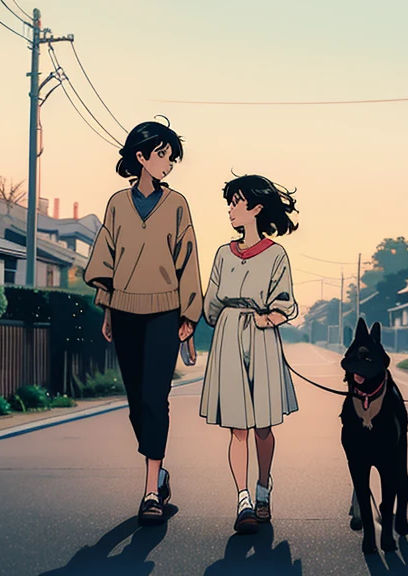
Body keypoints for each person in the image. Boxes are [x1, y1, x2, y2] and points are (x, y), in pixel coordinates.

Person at [84, 119, 202, 526]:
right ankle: (160, 468)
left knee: (156, 397)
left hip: (166, 312)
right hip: (125, 310)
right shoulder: (117, 203)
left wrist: (189, 317)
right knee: (136, 402)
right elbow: (106, 256)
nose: (168, 164)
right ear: (141, 157)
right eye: (162, 155)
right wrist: (107, 309)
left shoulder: (178, 205)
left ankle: (150, 490)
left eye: (171, 158)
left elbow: (188, 259)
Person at [200, 174, 299, 534]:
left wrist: (270, 317)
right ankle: (243, 498)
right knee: (237, 425)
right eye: (229, 203)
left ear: (256, 207)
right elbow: (211, 301)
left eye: (236, 202)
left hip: (261, 337)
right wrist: (205, 326)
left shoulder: (276, 254)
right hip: (228, 333)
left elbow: (285, 301)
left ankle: (263, 486)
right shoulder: (223, 254)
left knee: (263, 424)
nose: (230, 209)